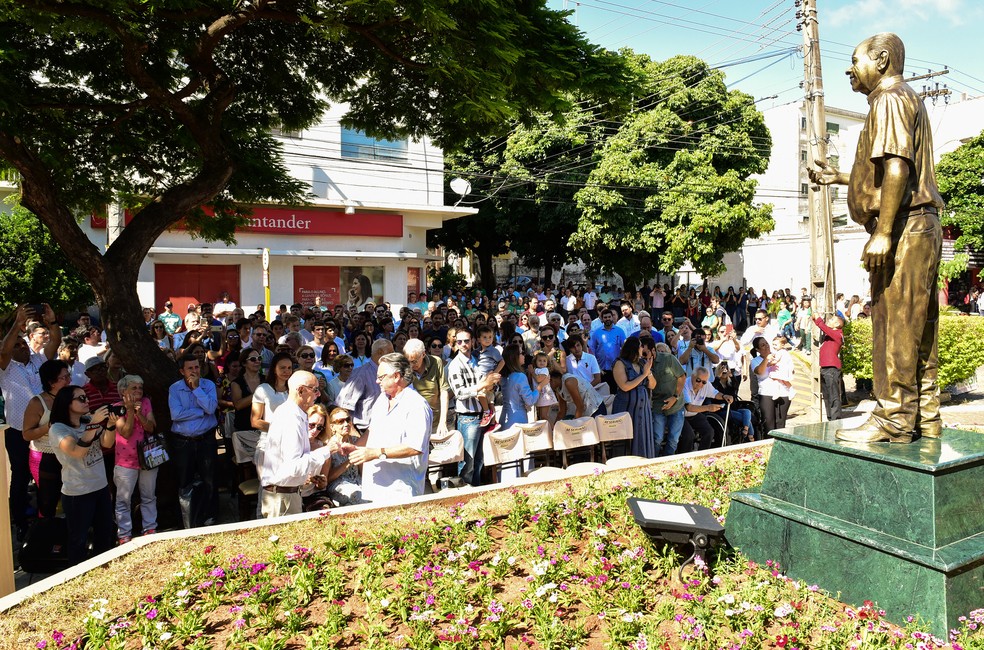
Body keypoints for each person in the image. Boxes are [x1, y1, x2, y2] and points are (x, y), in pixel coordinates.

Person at [809, 33, 943, 443]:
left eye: (855, 61)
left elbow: (898, 169)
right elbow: (881, 173)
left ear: (882, 60)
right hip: (919, 224)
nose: (849, 70)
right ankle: (926, 415)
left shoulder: (889, 98)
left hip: (904, 226)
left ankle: (894, 418)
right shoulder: (903, 99)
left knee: (896, 324)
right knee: (920, 326)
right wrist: (840, 177)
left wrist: (884, 232)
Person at [344, 353, 433, 504]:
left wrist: (376, 453)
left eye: (381, 377)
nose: (376, 381)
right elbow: (373, 430)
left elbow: (415, 447)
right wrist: (356, 448)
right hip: (375, 487)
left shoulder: (416, 404)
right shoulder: (381, 399)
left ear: (397, 376)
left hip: (401, 489)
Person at [48, 385, 118, 564]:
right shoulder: (58, 429)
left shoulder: (87, 420)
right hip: (77, 493)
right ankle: (76, 576)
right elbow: (76, 451)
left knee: (105, 535)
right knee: (78, 540)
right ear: (66, 403)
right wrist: (94, 423)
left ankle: (103, 572)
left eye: (86, 397)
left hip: (100, 488)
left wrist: (110, 425)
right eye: (80, 398)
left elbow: (107, 444)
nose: (86, 401)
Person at [258, 371, 337, 517]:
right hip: (282, 497)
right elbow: (294, 466)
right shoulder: (290, 417)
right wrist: (327, 450)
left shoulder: (296, 414)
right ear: (300, 390)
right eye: (315, 390)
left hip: (287, 494)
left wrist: (309, 477)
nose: (319, 394)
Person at [168, 353, 219, 529]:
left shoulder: (208, 385)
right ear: (182, 371)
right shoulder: (175, 389)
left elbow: (211, 408)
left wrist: (197, 389)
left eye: (197, 367)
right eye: (190, 368)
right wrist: (200, 412)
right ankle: (188, 519)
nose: (194, 371)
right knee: (184, 480)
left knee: (209, 478)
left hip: (206, 439)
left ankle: (210, 515)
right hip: (183, 442)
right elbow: (176, 415)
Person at [446, 329, 500, 486]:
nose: (463, 344)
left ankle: (475, 491)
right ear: (455, 343)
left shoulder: (477, 359)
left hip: (483, 414)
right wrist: (483, 384)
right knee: (467, 462)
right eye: (460, 341)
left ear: (473, 341)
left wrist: (491, 385)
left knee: (480, 460)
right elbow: (460, 393)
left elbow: (489, 381)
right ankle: (464, 496)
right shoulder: (455, 365)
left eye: (466, 341)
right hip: (467, 417)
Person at [22, 359, 71, 519]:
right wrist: (49, 426)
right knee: (48, 501)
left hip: (69, 454)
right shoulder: (37, 402)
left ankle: (68, 537)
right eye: (64, 378)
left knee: (71, 498)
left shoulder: (72, 396)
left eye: (68, 376)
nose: (69, 380)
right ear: (51, 382)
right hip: (45, 456)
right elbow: (27, 434)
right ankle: (47, 538)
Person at [112, 375, 158, 542]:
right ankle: (124, 534)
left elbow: (151, 427)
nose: (138, 391)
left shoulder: (146, 403)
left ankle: (150, 528)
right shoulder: (116, 408)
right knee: (123, 499)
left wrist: (140, 414)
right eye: (134, 388)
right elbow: (125, 432)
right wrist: (130, 411)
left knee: (149, 495)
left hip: (147, 457)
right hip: (125, 460)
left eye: (140, 387)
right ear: (123, 391)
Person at [612, 337, 657, 457]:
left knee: (642, 436)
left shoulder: (642, 363)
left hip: (643, 409)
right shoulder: (620, 363)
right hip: (626, 408)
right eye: (641, 346)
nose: (643, 349)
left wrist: (649, 373)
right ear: (634, 348)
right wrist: (643, 375)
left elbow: (652, 385)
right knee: (626, 440)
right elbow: (625, 386)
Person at [403, 339, 450, 436]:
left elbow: (444, 391)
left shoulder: (436, 362)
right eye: (408, 362)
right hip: (412, 422)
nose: (411, 365)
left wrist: (443, 421)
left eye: (414, 361)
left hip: (434, 421)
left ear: (423, 354)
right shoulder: (404, 367)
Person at [648, 341, 687, 457]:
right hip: (657, 405)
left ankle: (667, 462)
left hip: (676, 404)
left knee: (673, 439)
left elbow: (682, 376)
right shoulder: (642, 364)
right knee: (657, 438)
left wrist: (675, 397)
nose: (644, 357)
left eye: (646, 354)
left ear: (653, 351)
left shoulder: (669, 359)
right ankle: (653, 461)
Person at [683, 367, 734, 450]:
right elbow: (689, 407)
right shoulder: (685, 384)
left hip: (694, 414)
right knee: (689, 435)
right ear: (692, 376)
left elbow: (715, 393)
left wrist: (724, 396)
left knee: (709, 431)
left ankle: (703, 454)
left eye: (703, 382)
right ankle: (684, 457)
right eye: (698, 380)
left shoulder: (706, 385)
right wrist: (708, 408)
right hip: (681, 415)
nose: (700, 384)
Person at [750, 336, 793, 434]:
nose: (766, 346)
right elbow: (759, 371)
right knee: (769, 424)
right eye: (763, 345)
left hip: (783, 392)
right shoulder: (755, 361)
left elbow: (788, 367)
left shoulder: (778, 355)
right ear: (758, 349)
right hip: (766, 394)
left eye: (767, 343)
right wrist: (766, 360)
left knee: (781, 424)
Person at [322, 407, 363, 506]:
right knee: (357, 495)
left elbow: (362, 470)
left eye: (348, 420)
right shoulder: (328, 446)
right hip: (338, 484)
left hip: (357, 481)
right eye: (340, 421)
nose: (346, 424)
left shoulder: (356, 440)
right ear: (332, 427)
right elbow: (327, 478)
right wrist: (348, 462)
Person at [500, 344, 541, 430]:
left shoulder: (503, 377)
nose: (524, 355)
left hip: (504, 419)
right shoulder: (520, 376)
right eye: (521, 353)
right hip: (517, 421)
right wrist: (540, 386)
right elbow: (530, 400)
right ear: (515, 357)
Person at [815, 314, 846, 422]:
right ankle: (830, 418)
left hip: (831, 368)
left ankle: (835, 419)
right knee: (827, 396)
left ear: (837, 324)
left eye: (832, 319)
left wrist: (818, 319)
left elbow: (823, 326)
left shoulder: (838, 334)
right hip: (825, 368)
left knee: (833, 395)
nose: (829, 320)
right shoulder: (830, 336)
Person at [589, 308, 626, 391]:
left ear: (612, 318)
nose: (607, 319)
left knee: (614, 391)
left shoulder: (619, 331)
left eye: (609, 317)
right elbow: (592, 349)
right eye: (605, 317)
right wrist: (596, 365)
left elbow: (624, 347)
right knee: (603, 392)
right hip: (601, 368)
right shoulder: (596, 332)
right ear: (602, 319)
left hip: (615, 368)